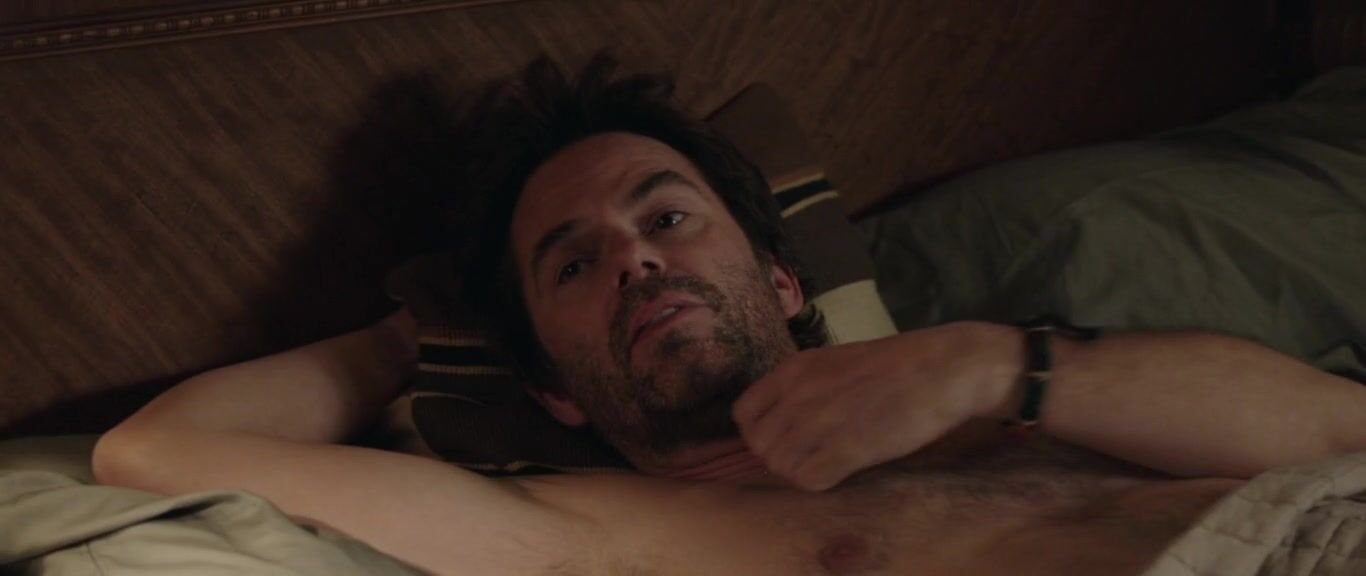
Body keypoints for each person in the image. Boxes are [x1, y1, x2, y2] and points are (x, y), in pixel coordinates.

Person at [93, 56, 1366, 575]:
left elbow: (1335, 434)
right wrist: (416, 332)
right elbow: (148, 451)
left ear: (784, 281)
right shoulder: (597, 529)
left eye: (666, 215)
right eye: (571, 267)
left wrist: (995, 368)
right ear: (550, 386)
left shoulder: (1000, 383)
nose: (637, 261)